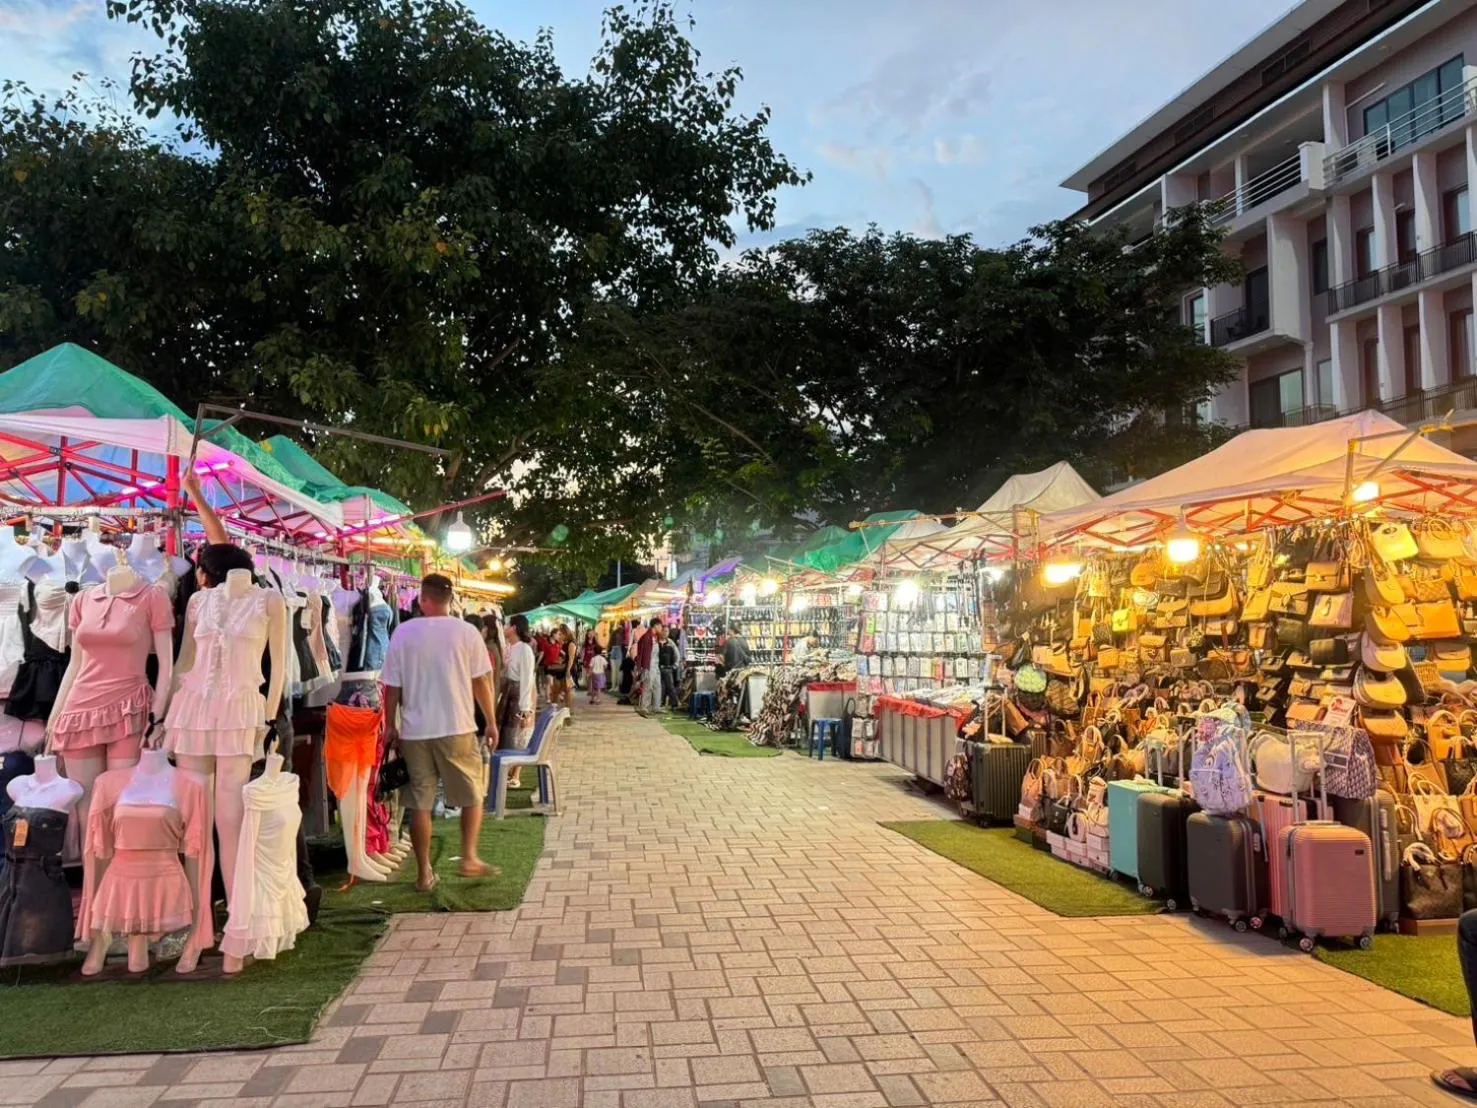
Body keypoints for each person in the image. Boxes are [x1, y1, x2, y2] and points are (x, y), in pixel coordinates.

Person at [381, 574, 499, 893]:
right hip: (457, 726)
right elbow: (481, 682)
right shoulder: (466, 632)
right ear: (451, 600)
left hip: (416, 730)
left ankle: (424, 874)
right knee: (473, 794)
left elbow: (391, 686)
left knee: (420, 802)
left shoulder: (404, 633)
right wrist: (490, 721)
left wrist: (390, 725)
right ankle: (469, 857)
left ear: (422, 599)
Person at [501, 614, 538, 790]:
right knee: (508, 734)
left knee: (518, 734)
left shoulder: (524, 649)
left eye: (506, 624)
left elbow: (527, 680)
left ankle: (515, 774)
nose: (504, 627)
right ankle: (508, 771)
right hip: (508, 693)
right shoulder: (509, 647)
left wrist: (525, 708)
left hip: (519, 694)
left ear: (514, 628)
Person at [637, 617, 663, 716]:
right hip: (649, 665)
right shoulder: (646, 637)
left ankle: (656, 706)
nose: (661, 628)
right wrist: (641, 667)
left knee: (657, 685)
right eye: (660, 626)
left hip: (655, 664)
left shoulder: (656, 636)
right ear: (655, 625)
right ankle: (644, 707)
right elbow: (641, 652)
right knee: (648, 686)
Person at [658, 626, 680, 711]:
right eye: (663, 631)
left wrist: (675, 665)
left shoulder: (671, 643)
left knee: (670, 686)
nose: (665, 633)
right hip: (658, 669)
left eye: (667, 631)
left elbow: (677, 654)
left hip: (668, 669)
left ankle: (674, 704)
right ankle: (660, 703)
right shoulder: (656, 642)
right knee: (660, 687)